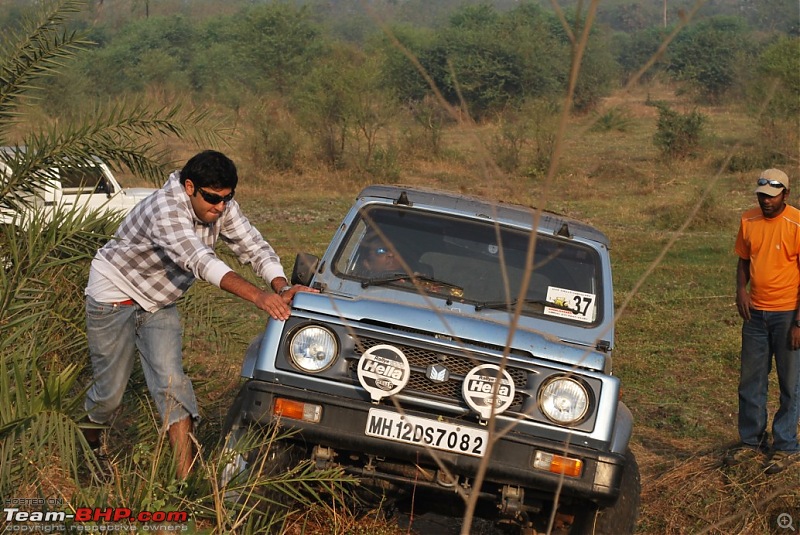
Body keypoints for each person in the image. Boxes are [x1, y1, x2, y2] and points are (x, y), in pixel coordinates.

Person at [82, 150, 314, 479]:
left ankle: (184, 480)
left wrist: (280, 286)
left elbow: (252, 245)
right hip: (114, 295)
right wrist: (259, 298)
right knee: (109, 393)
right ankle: (89, 442)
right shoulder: (165, 209)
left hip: (158, 301)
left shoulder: (221, 206)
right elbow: (201, 261)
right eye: (212, 199)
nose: (219, 207)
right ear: (189, 187)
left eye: (226, 199)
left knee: (172, 382)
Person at [726, 168, 800, 474]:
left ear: (785, 194)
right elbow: (744, 259)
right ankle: (751, 441)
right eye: (761, 196)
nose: (766, 202)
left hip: (787, 315)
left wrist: (799, 323)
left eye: (772, 197)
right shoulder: (748, 220)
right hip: (755, 314)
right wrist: (741, 291)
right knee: (751, 380)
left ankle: (785, 445)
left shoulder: (796, 223)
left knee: (790, 384)